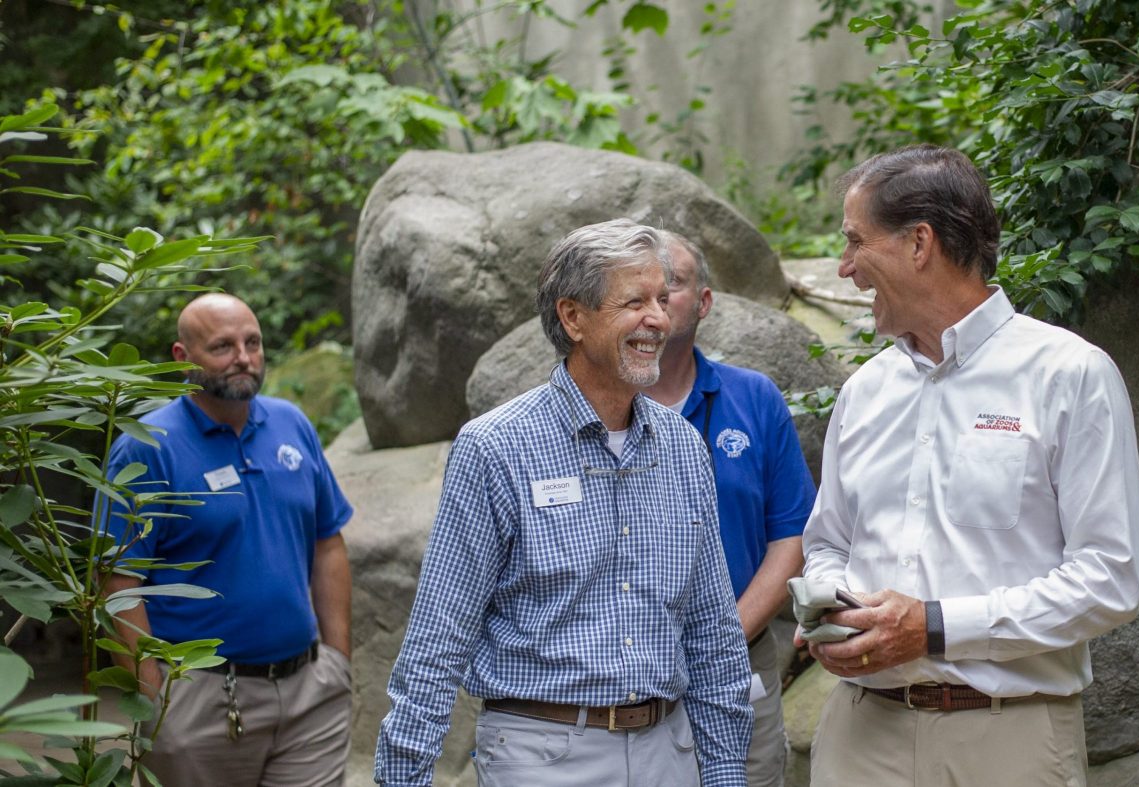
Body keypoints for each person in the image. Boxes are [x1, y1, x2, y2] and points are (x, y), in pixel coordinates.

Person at [797, 144, 1139, 786]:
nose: (845, 268)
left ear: (919, 243)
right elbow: (827, 543)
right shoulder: (865, 390)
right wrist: (832, 607)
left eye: (855, 242)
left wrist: (932, 627)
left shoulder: (1069, 375)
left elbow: (1110, 579)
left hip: (1008, 738)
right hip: (860, 736)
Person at [374, 218, 753, 787]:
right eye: (634, 301)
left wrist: (724, 772)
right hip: (541, 756)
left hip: (669, 752)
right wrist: (402, 777)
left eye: (660, 297)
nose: (658, 318)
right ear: (573, 317)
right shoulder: (497, 447)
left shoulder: (683, 448)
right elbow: (440, 632)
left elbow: (712, 631)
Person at [101, 293, 354, 787]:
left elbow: (328, 542)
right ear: (182, 358)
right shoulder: (147, 446)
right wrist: (156, 700)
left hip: (309, 693)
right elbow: (117, 582)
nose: (243, 357)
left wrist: (338, 659)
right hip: (200, 700)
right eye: (223, 346)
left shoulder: (291, 424)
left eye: (252, 342)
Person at [644, 231, 814, 787]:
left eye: (674, 282)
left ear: (705, 302)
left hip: (741, 658)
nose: (658, 295)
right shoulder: (597, 405)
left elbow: (791, 536)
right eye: (641, 283)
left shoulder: (754, 398)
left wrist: (725, 633)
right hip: (620, 670)